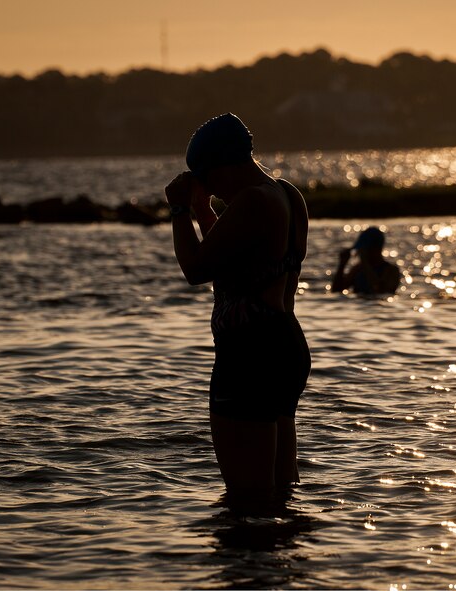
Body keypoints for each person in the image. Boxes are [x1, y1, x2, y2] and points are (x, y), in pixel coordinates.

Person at [165, 113, 311, 497]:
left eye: (208, 178)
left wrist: (179, 211)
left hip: (249, 355)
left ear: (223, 165)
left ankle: (248, 557)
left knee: (246, 497)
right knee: (280, 488)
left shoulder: (250, 201)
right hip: (285, 346)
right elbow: (233, 255)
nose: (210, 188)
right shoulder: (285, 195)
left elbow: (197, 269)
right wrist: (201, 208)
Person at [331, 226, 401, 295]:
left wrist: (365, 263)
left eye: (365, 250)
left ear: (377, 249)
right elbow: (336, 291)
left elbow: (380, 290)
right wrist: (342, 264)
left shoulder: (391, 270)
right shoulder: (357, 270)